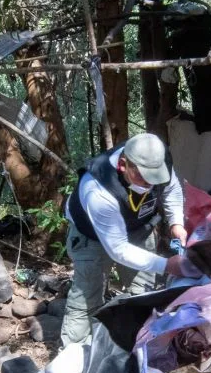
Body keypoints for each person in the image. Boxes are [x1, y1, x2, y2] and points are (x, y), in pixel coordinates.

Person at [61, 133, 202, 345]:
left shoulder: (158, 161)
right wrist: (167, 265)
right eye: (143, 178)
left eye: (154, 179)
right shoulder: (98, 190)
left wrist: (176, 224)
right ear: (124, 165)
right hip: (93, 238)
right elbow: (118, 249)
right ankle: (74, 357)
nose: (149, 185)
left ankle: (134, 345)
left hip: (138, 230)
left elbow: (171, 189)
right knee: (86, 298)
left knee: (144, 294)